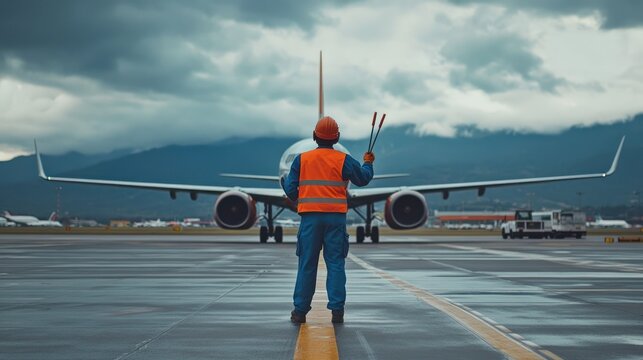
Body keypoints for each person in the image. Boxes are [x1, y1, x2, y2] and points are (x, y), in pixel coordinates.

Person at [281, 116, 374, 324]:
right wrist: (368, 163)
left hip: (310, 220)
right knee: (336, 265)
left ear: (315, 136)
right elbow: (363, 179)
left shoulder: (301, 160)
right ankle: (337, 311)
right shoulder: (343, 160)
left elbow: (291, 193)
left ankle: (300, 312)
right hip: (335, 219)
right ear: (337, 137)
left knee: (307, 265)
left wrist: (285, 181)